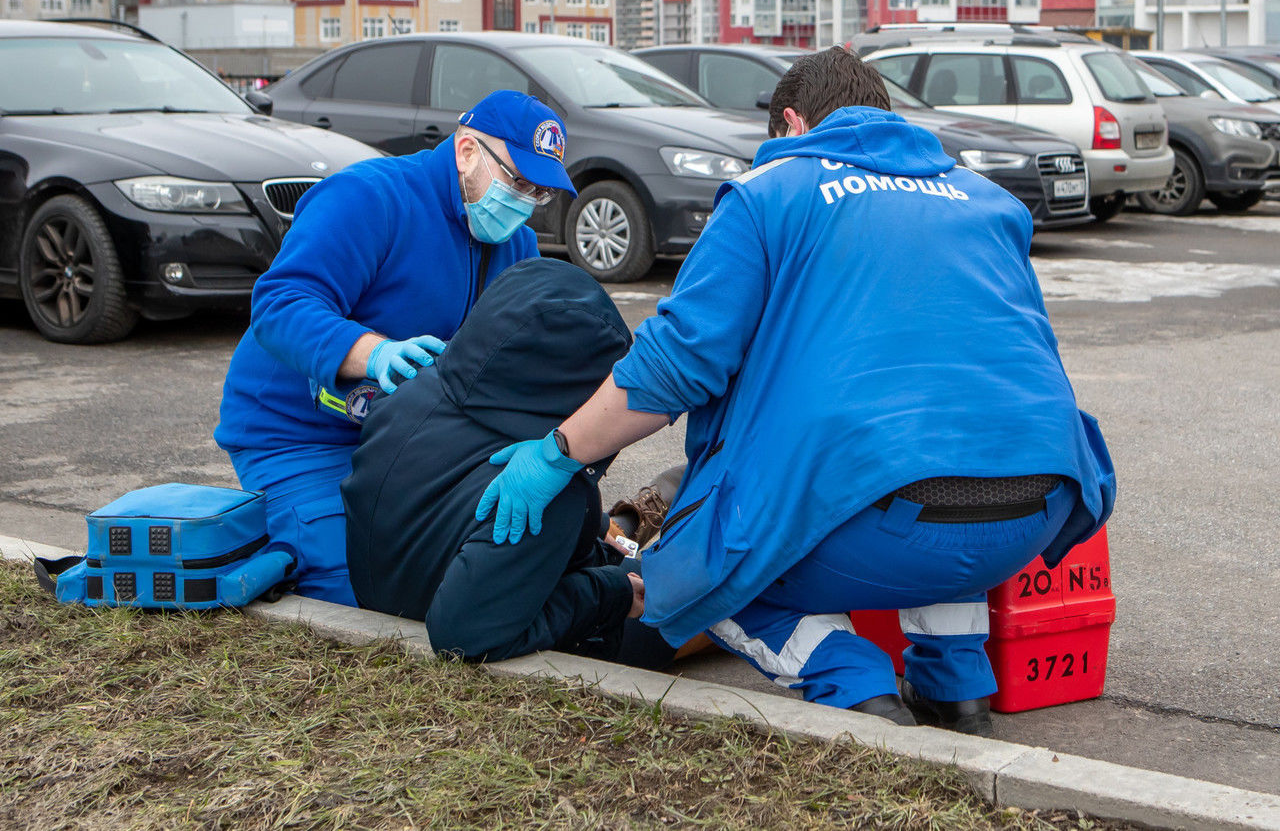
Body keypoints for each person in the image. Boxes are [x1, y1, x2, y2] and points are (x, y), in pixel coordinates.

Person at [473, 47, 1116, 735]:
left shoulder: (772, 192)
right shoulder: (987, 201)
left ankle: (858, 686)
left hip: (887, 518)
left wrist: (559, 452)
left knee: (702, 576)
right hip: (1037, 509)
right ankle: (956, 689)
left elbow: (676, 365)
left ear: (788, 123)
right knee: (944, 477)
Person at [215, 90, 573, 606]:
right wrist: (373, 352)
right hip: (299, 435)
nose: (523, 202)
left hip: (406, 436)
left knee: (450, 564)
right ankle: (279, 528)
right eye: (517, 181)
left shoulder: (515, 244)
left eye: (540, 192)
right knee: (353, 587)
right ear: (467, 150)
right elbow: (280, 303)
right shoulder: (370, 198)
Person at [343, 259, 675, 667]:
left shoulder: (407, 393)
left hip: (391, 591)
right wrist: (612, 593)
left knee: (613, 550)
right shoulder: (541, 493)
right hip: (496, 617)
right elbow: (460, 636)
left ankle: (625, 525)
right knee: (691, 602)